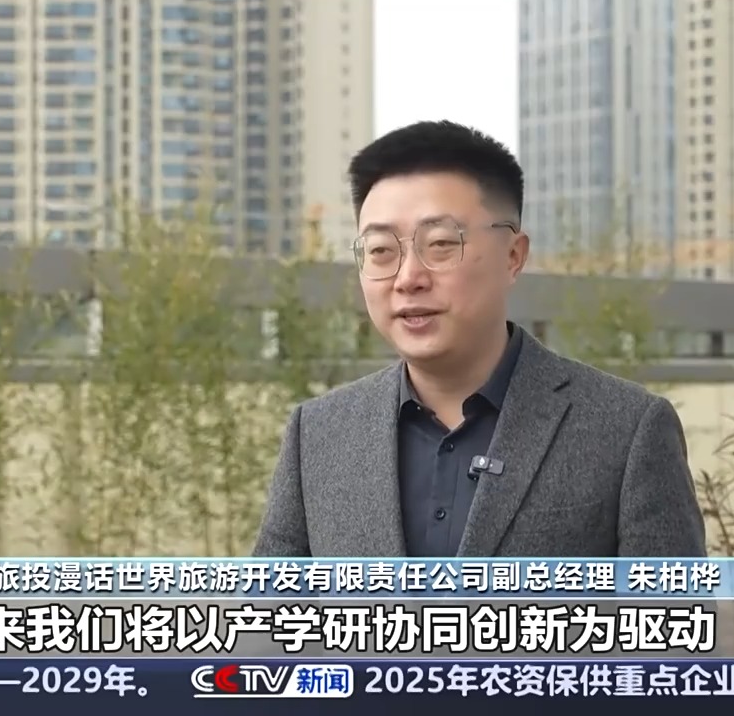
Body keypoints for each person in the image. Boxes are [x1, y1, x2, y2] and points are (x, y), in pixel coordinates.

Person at [252, 120, 707, 558]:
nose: (408, 278)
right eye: (381, 251)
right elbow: (269, 608)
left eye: (441, 244)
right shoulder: (318, 434)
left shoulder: (627, 429)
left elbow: (674, 611)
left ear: (513, 256)